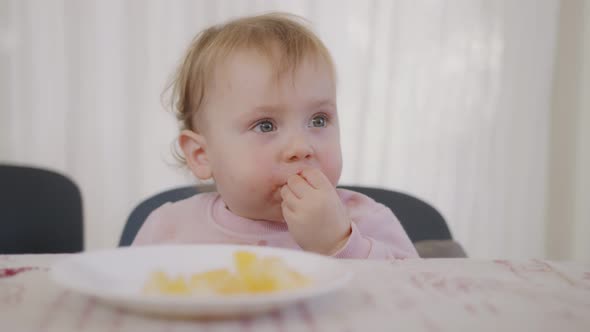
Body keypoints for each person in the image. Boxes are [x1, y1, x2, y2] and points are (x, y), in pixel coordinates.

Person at [133, 12, 418, 259]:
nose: (301, 147)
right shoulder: (169, 230)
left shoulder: (365, 220)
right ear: (202, 155)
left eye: (319, 120)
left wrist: (340, 244)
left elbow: (418, 301)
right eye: (265, 125)